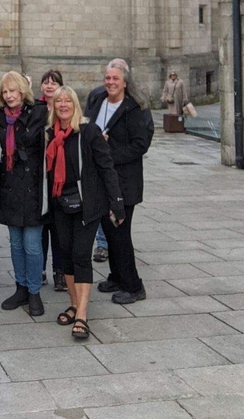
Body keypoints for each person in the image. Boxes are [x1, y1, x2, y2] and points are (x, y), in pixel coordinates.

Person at [46, 85, 125, 340]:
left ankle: (82, 314)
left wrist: (117, 202)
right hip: (60, 203)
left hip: (86, 204)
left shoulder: (88, 132)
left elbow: (107, 168)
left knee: (81, 255)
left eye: (68, 101)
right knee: (66, 255)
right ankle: (73, 302)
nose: (63, 105)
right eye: (59, 101)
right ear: (54, 106)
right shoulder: (51, 135)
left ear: (75, 105)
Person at [86, 59, 153, 305]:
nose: (110, 82)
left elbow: (140, 144)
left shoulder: (133, 107)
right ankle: (116, 275)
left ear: (125, 82)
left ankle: (134, 286)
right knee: (110, 230)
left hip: (124, 182)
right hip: (101, 180)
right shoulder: (97, 100)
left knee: (120, 233)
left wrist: (107, 153)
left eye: (115, 78)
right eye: (107, 78)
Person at [0, 71, 48, 317]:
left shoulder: (38, 113)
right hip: (10, 186)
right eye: (5, 91)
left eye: (13, 90)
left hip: (33, 187)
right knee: (15, 244)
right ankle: (21, 287)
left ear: (23, 91)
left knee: (33, 245)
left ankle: (34, 291)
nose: (9, 95)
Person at [37, 70, 66, 291]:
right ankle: (40, 269)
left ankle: (59, 271)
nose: (49, 86)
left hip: (59, 175)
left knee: (58, 228)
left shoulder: (63, 109)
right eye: (45, 83)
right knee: (41, 227)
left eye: (53, 83)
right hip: (40, 175)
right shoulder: (35, 110)